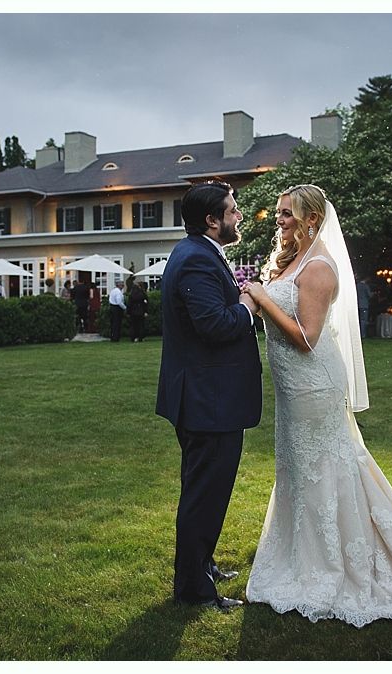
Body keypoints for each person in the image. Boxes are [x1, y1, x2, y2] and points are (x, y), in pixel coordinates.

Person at [240, 184, 392, 626]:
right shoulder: (289, 260)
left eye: (286, 214)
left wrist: (260, 297)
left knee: (325, 466)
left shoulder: (319, 268)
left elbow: (306, 338)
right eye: (278, 213)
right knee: (299, 467)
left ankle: (335, 562)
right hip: (292, 389)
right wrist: (254, 298)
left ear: (310, 219)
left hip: (313, 384)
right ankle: (304, 551)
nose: (278, 220)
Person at [156, 180, 262, 612]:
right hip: (207, 402)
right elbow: (214, 325)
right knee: (204, 495)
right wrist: (248, 307)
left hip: (205, 398)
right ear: (212, 220)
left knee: (205, 491)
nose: (238, 216)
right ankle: (194, 591)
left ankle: (202, 565)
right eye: (233, 211)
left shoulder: (199, 253)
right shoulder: (197, 261)